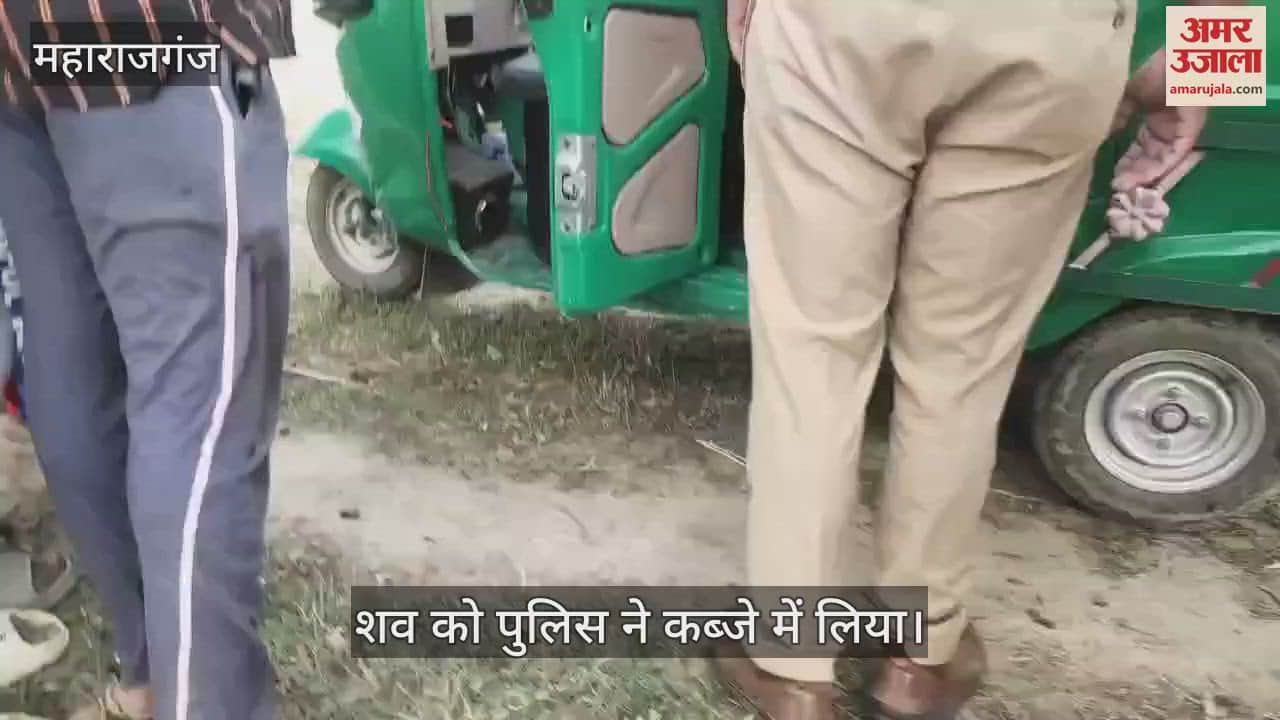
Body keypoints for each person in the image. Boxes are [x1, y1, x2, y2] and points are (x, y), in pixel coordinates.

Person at [715, 1, 1230, 718]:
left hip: (839, 25)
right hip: (1054, 37)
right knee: (962, 364)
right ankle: (918, 658)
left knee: (812, 350)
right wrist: (1205, 67)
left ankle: (791, 664)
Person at [0, 0, 293, 715]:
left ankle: (150, 672)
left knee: (72, 370)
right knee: (199, 407)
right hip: (147, 34)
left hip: (19, 56)